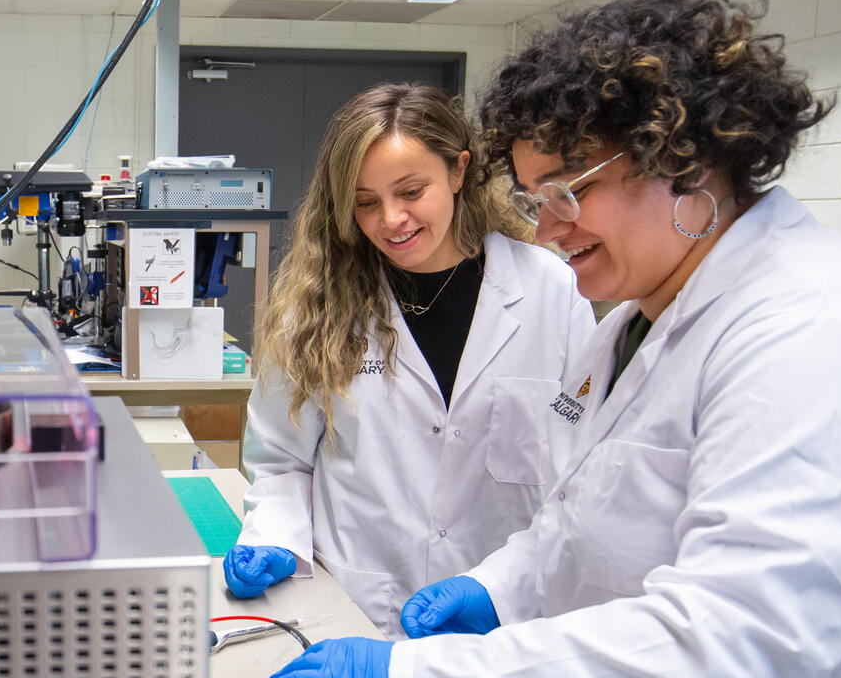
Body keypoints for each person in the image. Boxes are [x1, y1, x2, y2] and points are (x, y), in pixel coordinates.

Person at [257, 0, 841, 678]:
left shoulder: (827, 339)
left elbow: (733, 647)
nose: (545, 229)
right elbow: (574, 518)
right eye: (533, 199)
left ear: (684, 156)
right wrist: (499, 587)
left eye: (566, 191)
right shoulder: (633, 330)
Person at [225, 83, 596, 640]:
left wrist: (503, 586)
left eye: (411, 190)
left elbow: (581, 470)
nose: (391, 219)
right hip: (354, 609)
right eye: (365, 201)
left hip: (502, 617)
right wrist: (273, 535)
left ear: (458, 171)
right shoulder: (317, 303)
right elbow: (282, 457)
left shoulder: (551, 291)